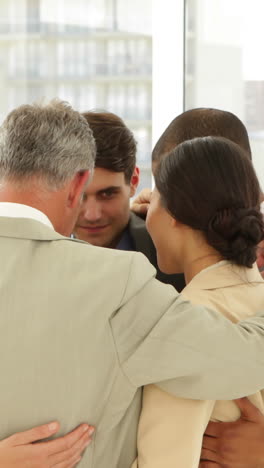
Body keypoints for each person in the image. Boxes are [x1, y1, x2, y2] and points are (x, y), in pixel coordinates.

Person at [1, 101, 264, 468]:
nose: (91, 215)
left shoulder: (153, 273)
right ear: (79, 182)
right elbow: (245, 357)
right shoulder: (123, 283)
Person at [131, 107, 264, 468]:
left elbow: (164, 462)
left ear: (172, 213)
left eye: (153, 195)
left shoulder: (185, 325)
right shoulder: (255, 295)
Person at [74, 111, 185, 291]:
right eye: (80, 195)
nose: (92, 215)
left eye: (107, 194)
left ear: (133, 181)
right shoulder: (39, 259)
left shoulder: (174, 254)